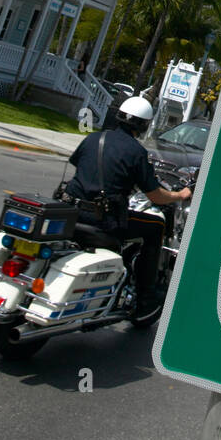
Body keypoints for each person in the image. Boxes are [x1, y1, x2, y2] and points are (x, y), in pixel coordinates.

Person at [64, 95, 191, 325]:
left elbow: (80, 166)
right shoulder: (136, 152)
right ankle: (145, 299)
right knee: (157, 226)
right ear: (144, 125)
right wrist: (179, 195)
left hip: (71, 211)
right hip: (104, 220)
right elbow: (155, 195)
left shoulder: (93, 138)